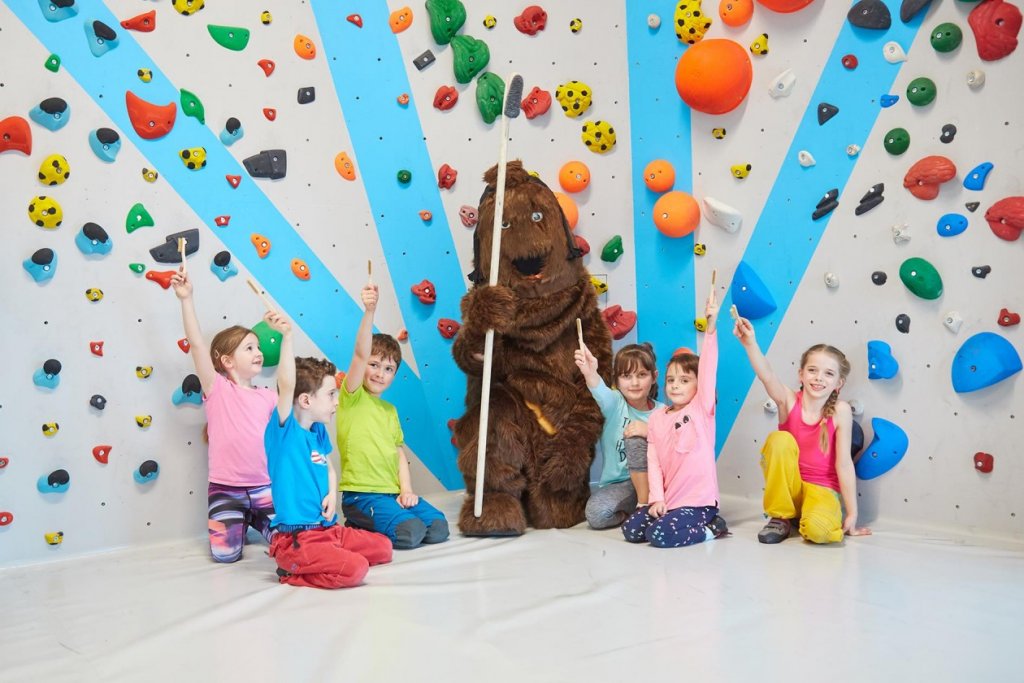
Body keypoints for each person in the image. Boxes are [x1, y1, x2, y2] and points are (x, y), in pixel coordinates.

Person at [265, 327, 393, 589]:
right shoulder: (284, 431)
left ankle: (328, 554)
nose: (337, 401)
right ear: (305, 400)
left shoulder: (319, 430)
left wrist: (332, 494)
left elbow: (329, 468)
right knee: (356, 569)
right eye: (331, 394)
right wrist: (287, 338)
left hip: (329, 530)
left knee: (384, 548)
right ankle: (292, 569)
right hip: (299, 536)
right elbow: (287, 384)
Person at [171, 268, 282, 563]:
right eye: (250, 348)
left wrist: (286, 334)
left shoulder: (269, 396)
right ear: (227, 361)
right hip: (225, 490)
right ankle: (240, 520)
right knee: (225, 556)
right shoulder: (217, 389)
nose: (258, 352)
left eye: (258, 347)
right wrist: (186, 299)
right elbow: (196, 344)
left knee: (288, 542)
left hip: (264, 488)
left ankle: (255, 519)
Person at [734, 311, 872, 543]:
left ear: (839, 383)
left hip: (822, 488)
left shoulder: (841, 411)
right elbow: (766, 375)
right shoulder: (788, 400)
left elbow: (844, 464)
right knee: (780, 440)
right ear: (801, 374)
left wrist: (853, 513)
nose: (819, 378)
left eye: (828, 374)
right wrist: (750, 343)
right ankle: (780, 516)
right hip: (790, 488)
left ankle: (805, 517)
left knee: (821, 532)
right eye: (812, 370)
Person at [338, 283, 449, 549]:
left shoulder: (390, 411)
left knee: (438, 527)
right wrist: (370, 311)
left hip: (392, 493)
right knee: (410, 533)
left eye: (388, 369)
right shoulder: (351, 396)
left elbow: (398, 453)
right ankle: (356, 523)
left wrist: (406, 491)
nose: (379, 373)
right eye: (374, 365)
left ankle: (391, 514)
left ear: (394, 375)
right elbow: (359, 353)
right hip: (362, 497)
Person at [621, 291, 729, 547]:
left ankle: (712, 529)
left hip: (698, 503)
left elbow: (708, 369)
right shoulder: (658, 418)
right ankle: (666, 512)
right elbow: (654, 463)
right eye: (671, 380)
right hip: (669, 501)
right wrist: (656, 499)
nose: (675, 386)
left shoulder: (701, 409)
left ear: (697, 385)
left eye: (684, 380)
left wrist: (711, 328)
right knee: (632, 531)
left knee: (659, 535)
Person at [575, 342, 663, 529]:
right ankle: (634, 510)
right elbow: (597, 387)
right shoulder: (614, 403)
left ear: (654, 377)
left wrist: (649, 432)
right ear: (616, 381)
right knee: (597, 515)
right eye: (626, 376)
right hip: (621, 484)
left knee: (636, 436)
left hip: (654, 481)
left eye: (642, 375)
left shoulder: (663, 412)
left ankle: (649, 504)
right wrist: (589, 371)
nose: (635, 383)